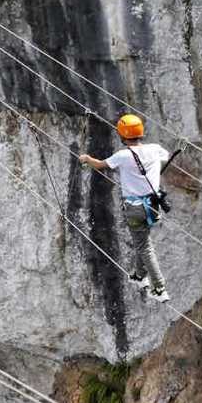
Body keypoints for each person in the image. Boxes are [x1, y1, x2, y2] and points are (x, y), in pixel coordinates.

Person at [78, 114, 171, 303]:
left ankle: (159, 287)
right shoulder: (154, 149)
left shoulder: (123, 156)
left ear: (122, 135)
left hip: (135, 208)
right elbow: (166, 157)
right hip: (153, 205)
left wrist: (86, 158)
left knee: (144, 246)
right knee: (141, 241)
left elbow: (100, 165)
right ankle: (139, 276)